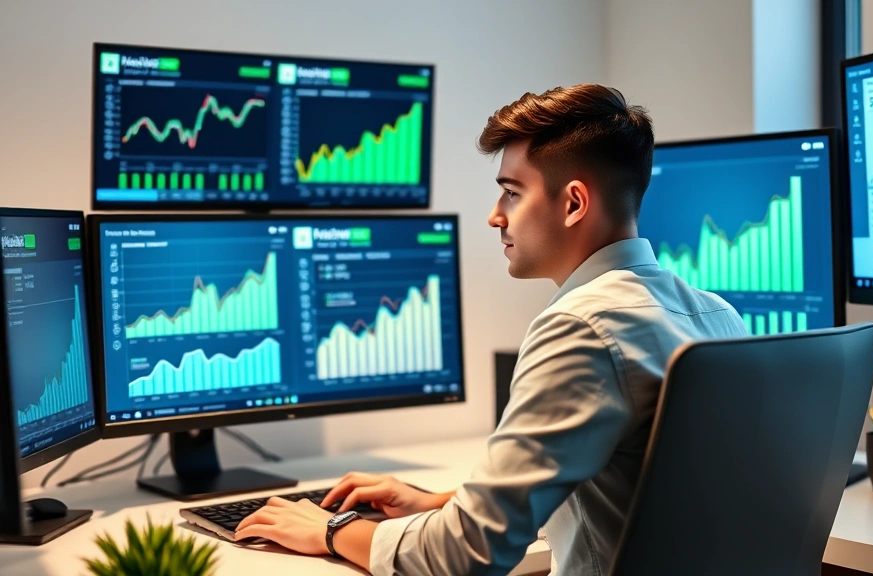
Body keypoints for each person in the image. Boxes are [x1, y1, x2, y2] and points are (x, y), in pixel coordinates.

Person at [235, 83, 749, 575]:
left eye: (510, 193)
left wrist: (332, 530)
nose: (494, 217)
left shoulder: (580, 328)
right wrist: (443, 502)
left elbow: (468, 556)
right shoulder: (719, 316)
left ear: (573, 203)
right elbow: (630, 492)